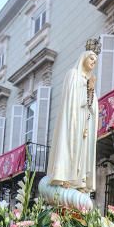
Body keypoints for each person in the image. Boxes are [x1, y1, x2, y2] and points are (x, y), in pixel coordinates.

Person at [46, 47, 99, 192]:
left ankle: (79, 179)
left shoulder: (89, 81)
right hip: (73, 120)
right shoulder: (73, 75)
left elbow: (92, 105)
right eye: (91, 58)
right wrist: (86, 91)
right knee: (70, 146)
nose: (93, 62)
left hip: (84, 122)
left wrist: (91, 90)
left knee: (82, 151)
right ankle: (67, 176)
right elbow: (71, 99)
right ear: (83, 58)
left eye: (95, 61)